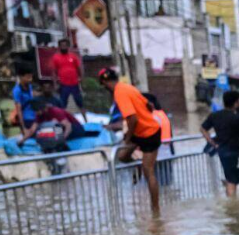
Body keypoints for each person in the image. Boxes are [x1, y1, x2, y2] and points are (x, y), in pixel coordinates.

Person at [98, 68, 162, 214]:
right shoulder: (128, 87)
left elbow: (132, 118)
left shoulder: (119, 93)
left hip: (150, 132)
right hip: (139, 131)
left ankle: (155, 210)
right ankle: (138, 165)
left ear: (105, 83)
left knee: (149, 171)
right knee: (122, 156)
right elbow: (149, 105)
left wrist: (128, 138)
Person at [201, 89, 239, 197]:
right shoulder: (238, 118)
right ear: (236, 102)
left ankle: (231, 198)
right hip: (235, 152)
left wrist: (212, 142)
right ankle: (232, 205)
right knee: (232, 180)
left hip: (222, 151)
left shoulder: (215, 115)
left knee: (231, 178)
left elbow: (203, 128)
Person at [50, 39, 87, 122]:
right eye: (62, 45)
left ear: (68, 46)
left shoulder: (73, 56)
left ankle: (86, 120)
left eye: (65, 45)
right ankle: (62, 120)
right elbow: (54, 72)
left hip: (74, 84)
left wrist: (81, 78)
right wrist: (55, 84)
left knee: (80, 103)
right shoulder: (56, 58)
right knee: (63, 104)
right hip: (64, 85)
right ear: (59, 47)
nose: (64, 47)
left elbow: (79, 68)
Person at [12, 65, 36, 132]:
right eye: (28, 77)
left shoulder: (30, 87)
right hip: (27, 120)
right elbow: (19, 110)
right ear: (21, 77)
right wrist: (23, 128)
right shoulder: (17, 90)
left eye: (31, 77)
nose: (30, 79)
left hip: (35, 118)